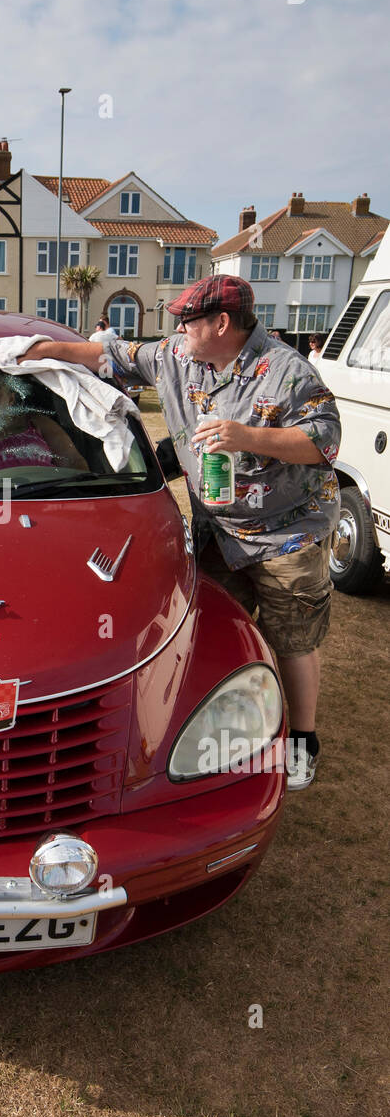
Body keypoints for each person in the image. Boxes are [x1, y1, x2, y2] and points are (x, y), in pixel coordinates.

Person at [18, 273, 341, 791]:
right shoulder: (176, 355)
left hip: (287, 531)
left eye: (188, 320)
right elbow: (111, 354)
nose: (179, 328)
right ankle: (221, 735)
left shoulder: (285, 371)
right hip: (217, 529)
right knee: (212, 632)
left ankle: (302, 742)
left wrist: (247, 436)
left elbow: (326, 441)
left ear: (221, 323)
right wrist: (31, 349)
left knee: (292, 640)